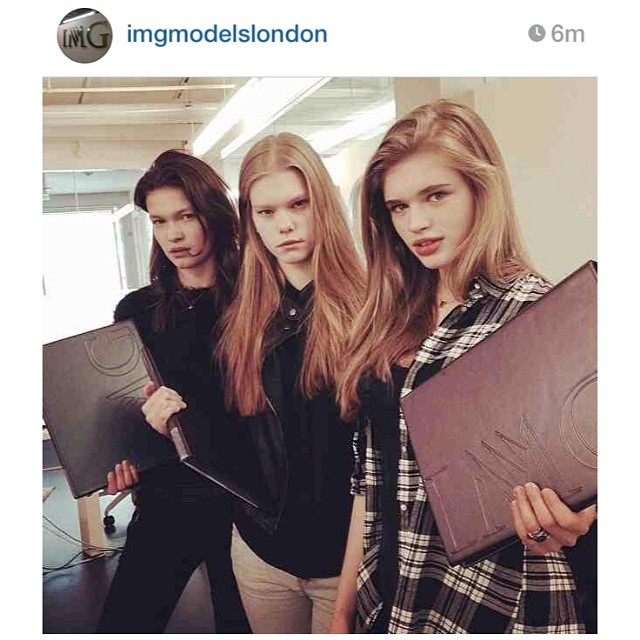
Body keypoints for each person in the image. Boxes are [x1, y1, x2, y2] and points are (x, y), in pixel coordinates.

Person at [330, 100, 597, 634]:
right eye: (398, 207)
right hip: (388, 590)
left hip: (491, 601)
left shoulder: (537, 316)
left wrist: (576, 520)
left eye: (436, 195)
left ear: (481, 191)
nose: (416, 223)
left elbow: (581, 463)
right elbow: (370, 478)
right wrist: (341, 610)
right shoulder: (390, 315)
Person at [214, 132, 365, 634]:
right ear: (251, 220)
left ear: (323, 203)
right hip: (262, 553)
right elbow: (235, 436)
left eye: (299, 204)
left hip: (342, 562)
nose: (285, 225)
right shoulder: (241, 318)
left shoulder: (371, 309)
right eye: (266, 211)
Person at [96, 150, 251, 634]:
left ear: (214, 214)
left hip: (241, 505)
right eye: (159, 221)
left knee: (237, 626)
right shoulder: (136, 310)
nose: (173, 235)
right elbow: (128, 409)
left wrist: (187, 422)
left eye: (185, 216)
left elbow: (264, 417)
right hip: (167, 499)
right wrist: (120, 461)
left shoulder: (255, 300)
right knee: (124, 622)